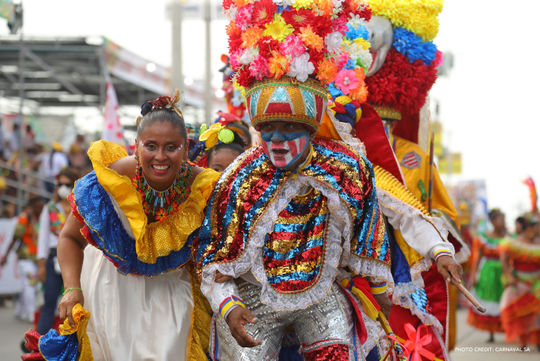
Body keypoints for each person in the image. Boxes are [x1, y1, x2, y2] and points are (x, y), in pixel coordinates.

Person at [194, 2, 397, 360]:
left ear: (310, 128)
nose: (277, 140)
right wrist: (228, 307)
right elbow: (214, 260)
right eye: (268, 129)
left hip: (320, 294)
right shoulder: (241, 177)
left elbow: (369, 229)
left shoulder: (346, 167)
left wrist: (382, 289)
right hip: (255, 296)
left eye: (289, 128)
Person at [49, 91, 220, 360]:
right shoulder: (111, 179)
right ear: (136, 145)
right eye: (151, 146)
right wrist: (72, 289)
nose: (160, 157)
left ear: (186, 149)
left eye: (171, 147)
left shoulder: (206, 188)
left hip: (173, 297)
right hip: (111, 295)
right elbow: (70, 238)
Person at [35, 167, 79, 335]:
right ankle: (39, 344)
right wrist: (40, 265)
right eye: (59, 184)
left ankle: (74, 341)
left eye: (67, 184)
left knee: (74, 301)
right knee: (49, 301)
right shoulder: (50, 207)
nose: (62, 187)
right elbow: (43, 238)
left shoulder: (80, 206)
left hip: (75, 257)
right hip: (54, 257)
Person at [0, 197, 44, 323]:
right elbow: (15, 239)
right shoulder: (24, 219)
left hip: (38, 258)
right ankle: (31, 313)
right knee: (30, 284)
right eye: (39, 207)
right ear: (32, 207)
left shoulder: (42, 218)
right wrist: (6, 256)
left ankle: (20, 309)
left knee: (31, 285)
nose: (41, 209)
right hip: (25, 259)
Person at [499, 213, 540, 350]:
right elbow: (504, 259)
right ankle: (522, 338)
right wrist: (509, 275)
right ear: (530, 227)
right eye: (537, 225)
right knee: (519, 309)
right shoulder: (513, 243)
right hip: (519, 281)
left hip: (537, 281)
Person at [467, 208, 507, 341]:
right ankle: (491, 333)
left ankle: (508, 330)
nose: (504, 222)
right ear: (493, 221)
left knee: (505, 300)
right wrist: (473, 276)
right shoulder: (483, 239)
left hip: (504, 273)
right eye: (501, 219)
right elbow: (477, 259)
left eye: (504, 219)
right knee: (489, 301)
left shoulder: (508, 238)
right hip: (488, 273)